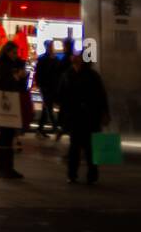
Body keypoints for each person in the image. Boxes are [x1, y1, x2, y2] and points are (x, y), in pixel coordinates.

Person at [58, 51, 109, 184]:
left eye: (78, 57)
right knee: (74, 147)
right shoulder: (67, 75)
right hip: (75, 116)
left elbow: (101, 96)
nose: (75, 58)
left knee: (90, 147)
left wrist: (104, 113)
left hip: (90, 116)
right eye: (74, 56)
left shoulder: (92, 75)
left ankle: (92, 175)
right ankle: (72, 174)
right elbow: (61, 95)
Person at [0, 40, 28, 180]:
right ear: (7, 52)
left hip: (13, 103)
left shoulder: (15, 64)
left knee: (9, 135)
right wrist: (16, 77)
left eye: (16, 52)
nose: (15, 55)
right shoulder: (1, 65)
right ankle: (2, 168)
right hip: (4, 104)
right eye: (13, 52)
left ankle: (8, 168)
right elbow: (0, 83)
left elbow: (20, 84)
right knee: (4, 135)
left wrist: (22, 76)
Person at [33, 40, 63, 139]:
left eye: (51, 46)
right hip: (46, 88)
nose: (51, 47)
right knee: (48, 108)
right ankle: (56, 128)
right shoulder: (44, 59)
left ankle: (40, 129)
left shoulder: (55, 59)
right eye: (50, 46)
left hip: (53, 87)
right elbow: (38, 74)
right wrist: (40, 85)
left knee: (46, 108)